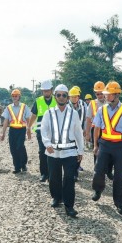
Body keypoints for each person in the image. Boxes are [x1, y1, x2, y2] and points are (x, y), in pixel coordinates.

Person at [91, 81, 122, 215]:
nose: (105, 96)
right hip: (104, 144)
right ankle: (97, 190)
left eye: (108, 94)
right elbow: (97, 128)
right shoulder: (102, 109)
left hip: (120, 147)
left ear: (116, 95)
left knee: (120, 176)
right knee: (99, 170)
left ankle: (119, 204)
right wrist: (95, 145)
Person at [41, 84, 85, 217]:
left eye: (64, 95)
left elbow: (78, 132)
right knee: (54, 178)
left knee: (69, 179)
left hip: (70, 152)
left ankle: (69, 206)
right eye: (58, 95)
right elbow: (44, 129)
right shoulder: (49, 113)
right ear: (55, 97)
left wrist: (80, 151)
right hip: (53, 152)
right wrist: (47, 143)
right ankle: (56, 197)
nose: (61, 97)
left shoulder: (74, 114)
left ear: (67, 98)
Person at [28, 79, 56, 182]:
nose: (46, 92)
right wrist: (28, 127)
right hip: (41, 132)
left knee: (53, 153)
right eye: (44, 91)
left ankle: (52, 174)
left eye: (48, 90)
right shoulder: (38, 101)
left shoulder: (57, 100)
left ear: (51, 90)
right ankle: (44, 174)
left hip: (54, 132)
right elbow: (34, 115)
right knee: (42, 153)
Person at [0, 88, 32, 173]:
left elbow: (29, 119)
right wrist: (3, 133)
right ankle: (17, 167)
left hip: (22, 130)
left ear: (19, 96)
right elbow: (6, 121)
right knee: (13, 148)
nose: (14, 97)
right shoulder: (8, 108)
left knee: (20, 146)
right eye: (13, 96)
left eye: (16, 96)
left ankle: (23, 165)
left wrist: (29, 131)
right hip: (12, 130)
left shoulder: (24, 107)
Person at [69, 86, 89, 181]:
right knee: (71, 151)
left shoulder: (83, 105)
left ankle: (76, 168)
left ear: (78, 96)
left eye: (75, 96)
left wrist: (85, 129)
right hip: (69, 132)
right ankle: (73, 172)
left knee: (79, 150)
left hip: (80, 131)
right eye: (72, 97)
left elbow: (85, 118)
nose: (74, 98)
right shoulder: (66, 105)